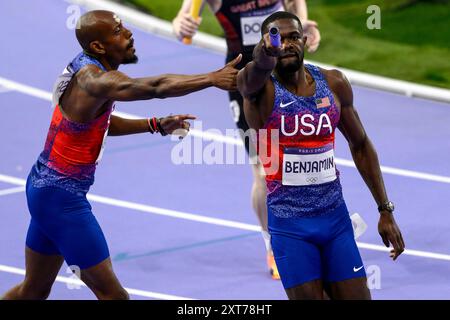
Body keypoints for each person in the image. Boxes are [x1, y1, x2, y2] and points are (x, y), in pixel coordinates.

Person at [1, 10, 241, 300]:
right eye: (117, 31)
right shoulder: (94, 80)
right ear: (98, 46)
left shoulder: (91, 72)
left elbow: (100, 125)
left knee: (34, 290)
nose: (128, 34)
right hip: (61, 198)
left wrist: (154, 125)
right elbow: (154, 87)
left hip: (44, 188)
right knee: (115, 296)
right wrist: (211, 78)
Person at [236, 11, 405, 299]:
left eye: (292, 38)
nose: (286, 44)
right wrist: (266, 52)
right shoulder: (258, 90)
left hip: (335, 221)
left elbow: (361, 144)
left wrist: (384, 210)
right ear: (265, 44)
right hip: (290, 227)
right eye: (277, 38)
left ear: (304, 40)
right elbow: (253, 74)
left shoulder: (334, 83)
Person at [173, 0, 320, 281]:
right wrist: (181, 25)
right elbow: (182, 24)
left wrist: (304, 25)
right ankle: (273, 244)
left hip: (286, 72)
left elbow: (296, 4)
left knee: (301, 158)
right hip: (246, 80)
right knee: (264, 172)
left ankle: (307, 233)